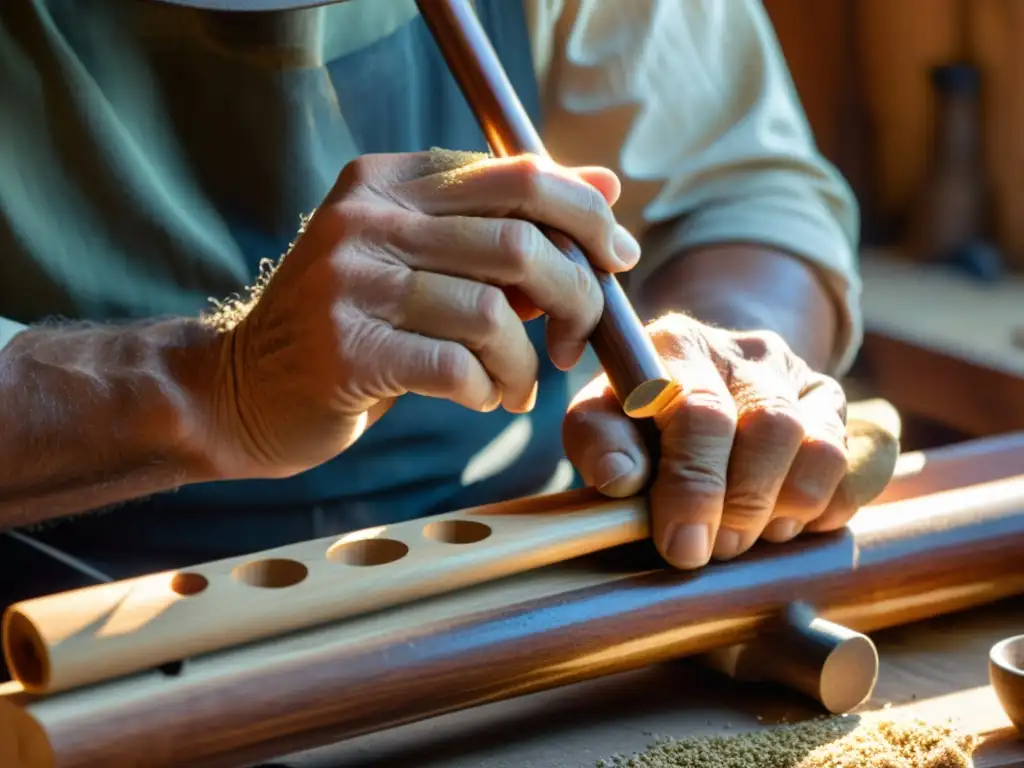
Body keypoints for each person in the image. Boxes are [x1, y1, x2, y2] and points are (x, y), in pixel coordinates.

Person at [0, 0, 861, 593]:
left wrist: (716, 374)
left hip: (518, 576)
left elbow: (743, 197)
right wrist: (206, 389)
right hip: (54, 614)